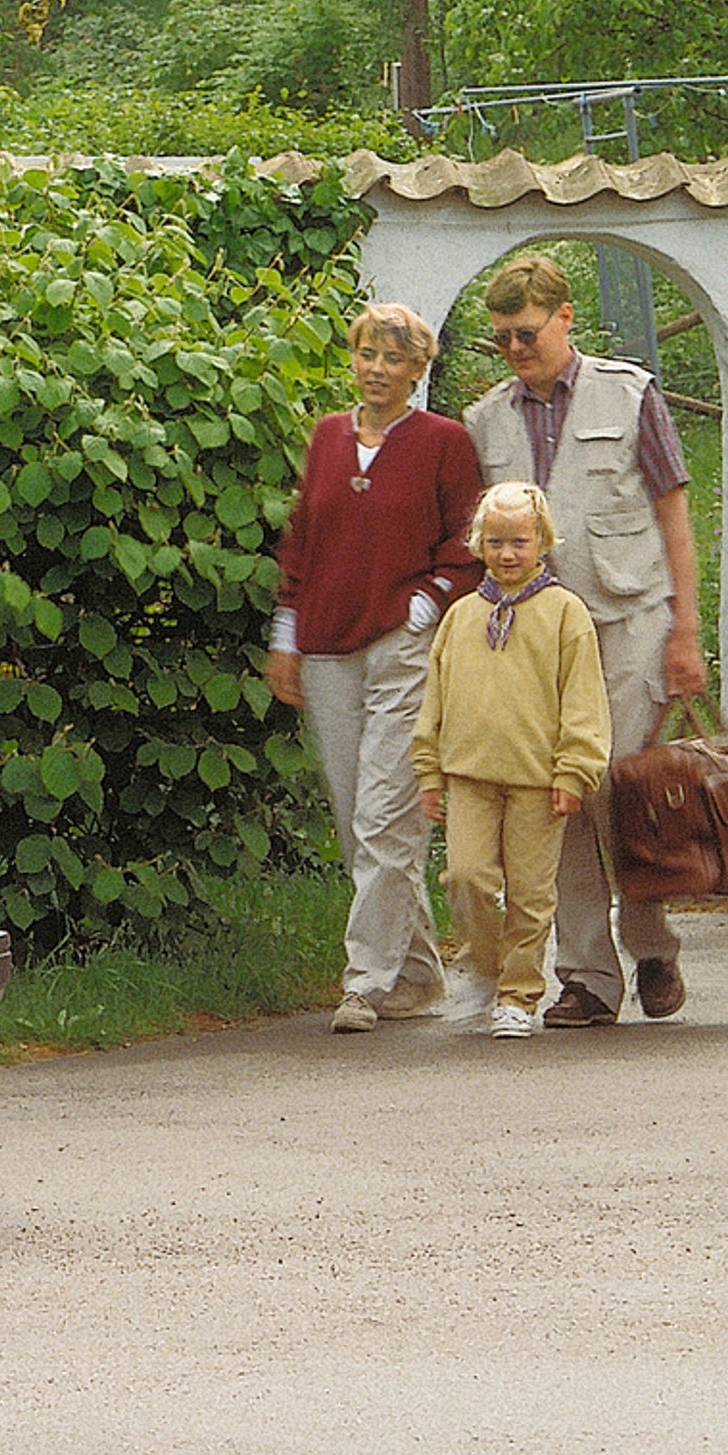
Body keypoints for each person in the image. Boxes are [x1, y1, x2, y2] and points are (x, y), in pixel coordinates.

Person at [461, 254, 709, 1027]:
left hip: (628, 619)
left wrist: (687, 633)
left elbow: (673, 513)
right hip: (534, 637)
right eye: (501, 338)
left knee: (613, 786)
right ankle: (588, 978)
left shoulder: (631, 395)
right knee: (553, 798)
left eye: (526, 332)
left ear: (564, 316)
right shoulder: (485, 420)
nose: (514, 349)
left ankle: (650, 940)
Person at [267, 301, 481, 1033]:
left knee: (387, 816)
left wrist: (424, 605)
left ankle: (366, 979)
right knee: (356, 820)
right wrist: (285, 634)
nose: (377, 371)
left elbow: (467, 540)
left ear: (420, 370)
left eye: (394, 359)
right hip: (327, 644)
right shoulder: (327, 437)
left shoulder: (445, 443)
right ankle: (419, 973)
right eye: (367, 356)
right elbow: (302, 538)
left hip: (401, 645)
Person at [409, 485, 612, 1037]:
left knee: (530, 893)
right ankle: (488, 966)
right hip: (469, 773)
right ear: (478, 544)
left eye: (519, 542)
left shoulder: (566, 614)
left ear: (542, 541)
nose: (507, 554)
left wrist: (574, 770)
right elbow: (436, 698)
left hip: (538, 780)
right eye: (495, 542)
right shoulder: (460, 618)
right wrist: (429, 769)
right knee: (466, 876)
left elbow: (584, 702)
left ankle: (518, 994)